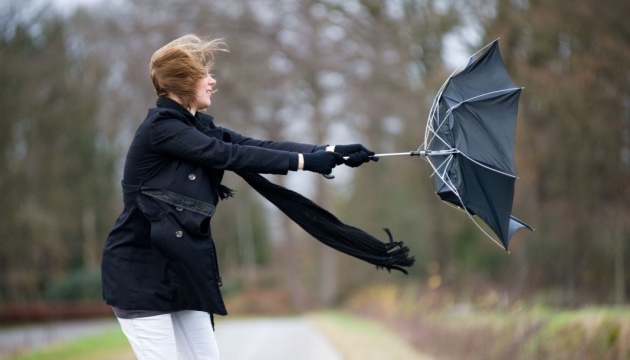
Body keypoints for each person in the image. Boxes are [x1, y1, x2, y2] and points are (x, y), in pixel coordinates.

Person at [100, 34, 376, 360]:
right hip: (141, 277)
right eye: (204, 74)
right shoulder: (161, 128)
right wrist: (304, 162)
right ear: (183, 81)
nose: (212, 81)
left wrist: (328, 152)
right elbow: (226, 154)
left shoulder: (194, 126)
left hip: (182, 273)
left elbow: (253, 146)